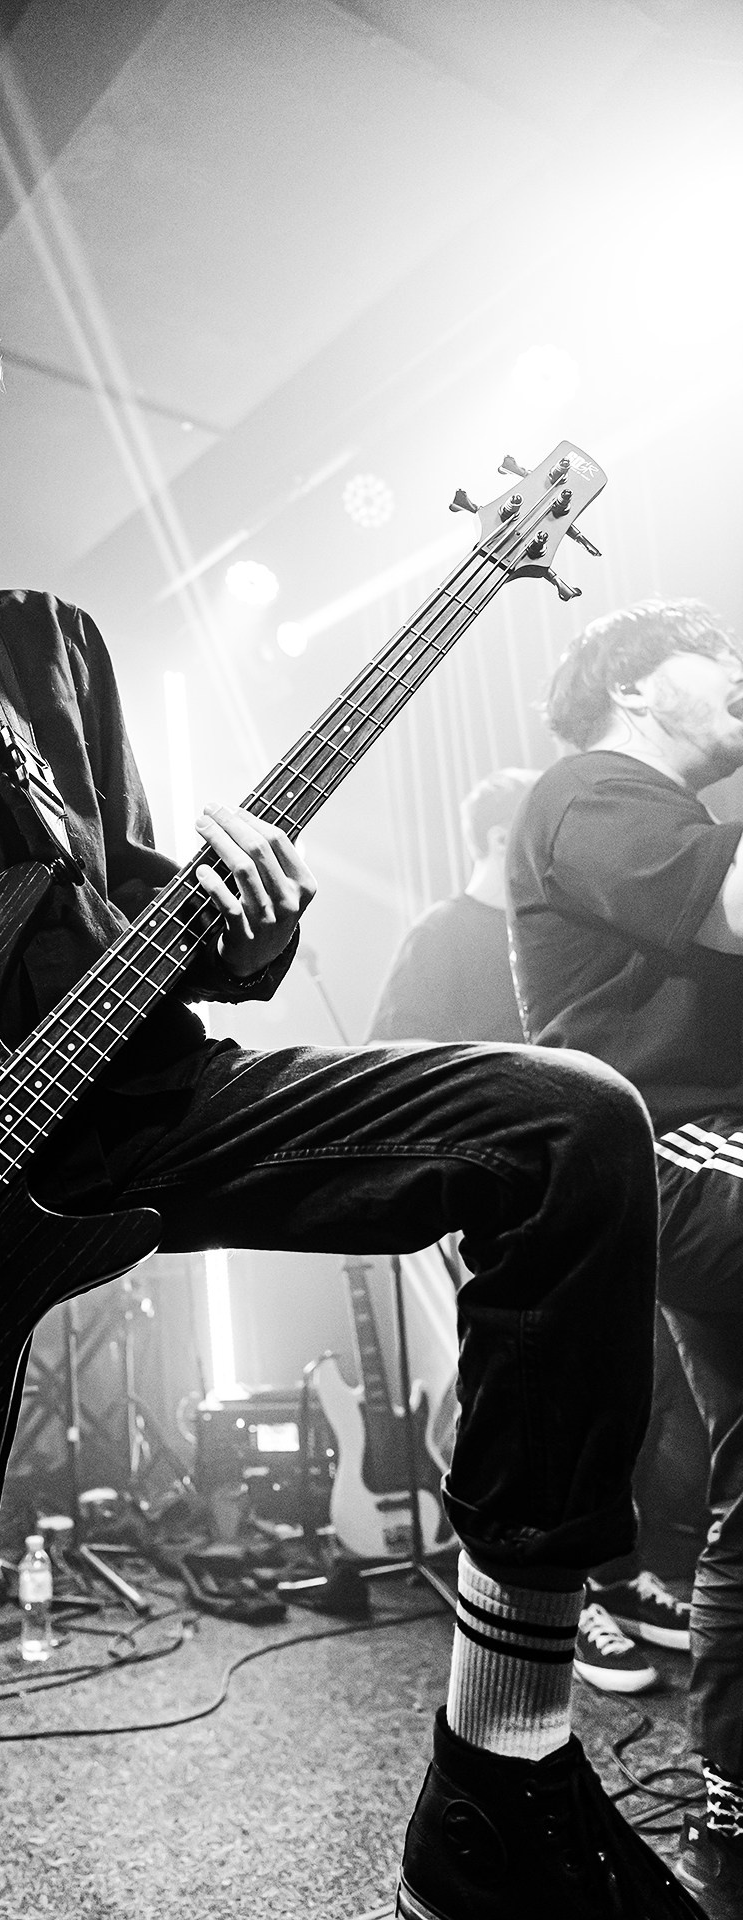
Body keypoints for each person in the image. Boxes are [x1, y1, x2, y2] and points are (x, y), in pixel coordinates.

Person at [0, 228, 704, 1920]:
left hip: (126, 1101)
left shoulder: (47, 644)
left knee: (569, 1128)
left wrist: (243, 920)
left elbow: (120, 905)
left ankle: (503, 1762)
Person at [506, 598, 743, 1917]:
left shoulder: (674, 816)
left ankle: (731, 1841)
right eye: (725, 659)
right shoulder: (591, 790)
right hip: (671, 1156)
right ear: (639, 684)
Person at [372, 765, 693, 1698]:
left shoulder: (572, 934)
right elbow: (391, 1060)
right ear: (499, 839)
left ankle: (616, 1571)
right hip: (495, 1204)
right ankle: (558, 1598)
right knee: (539, 1397)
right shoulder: (441, 936)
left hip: (592, 1191)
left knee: (633, 1386)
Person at [367, 766, 538, 1047]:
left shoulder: (553, 925)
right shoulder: (439, 930)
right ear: (501, 839)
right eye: (546, 832)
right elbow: (387, 1048)